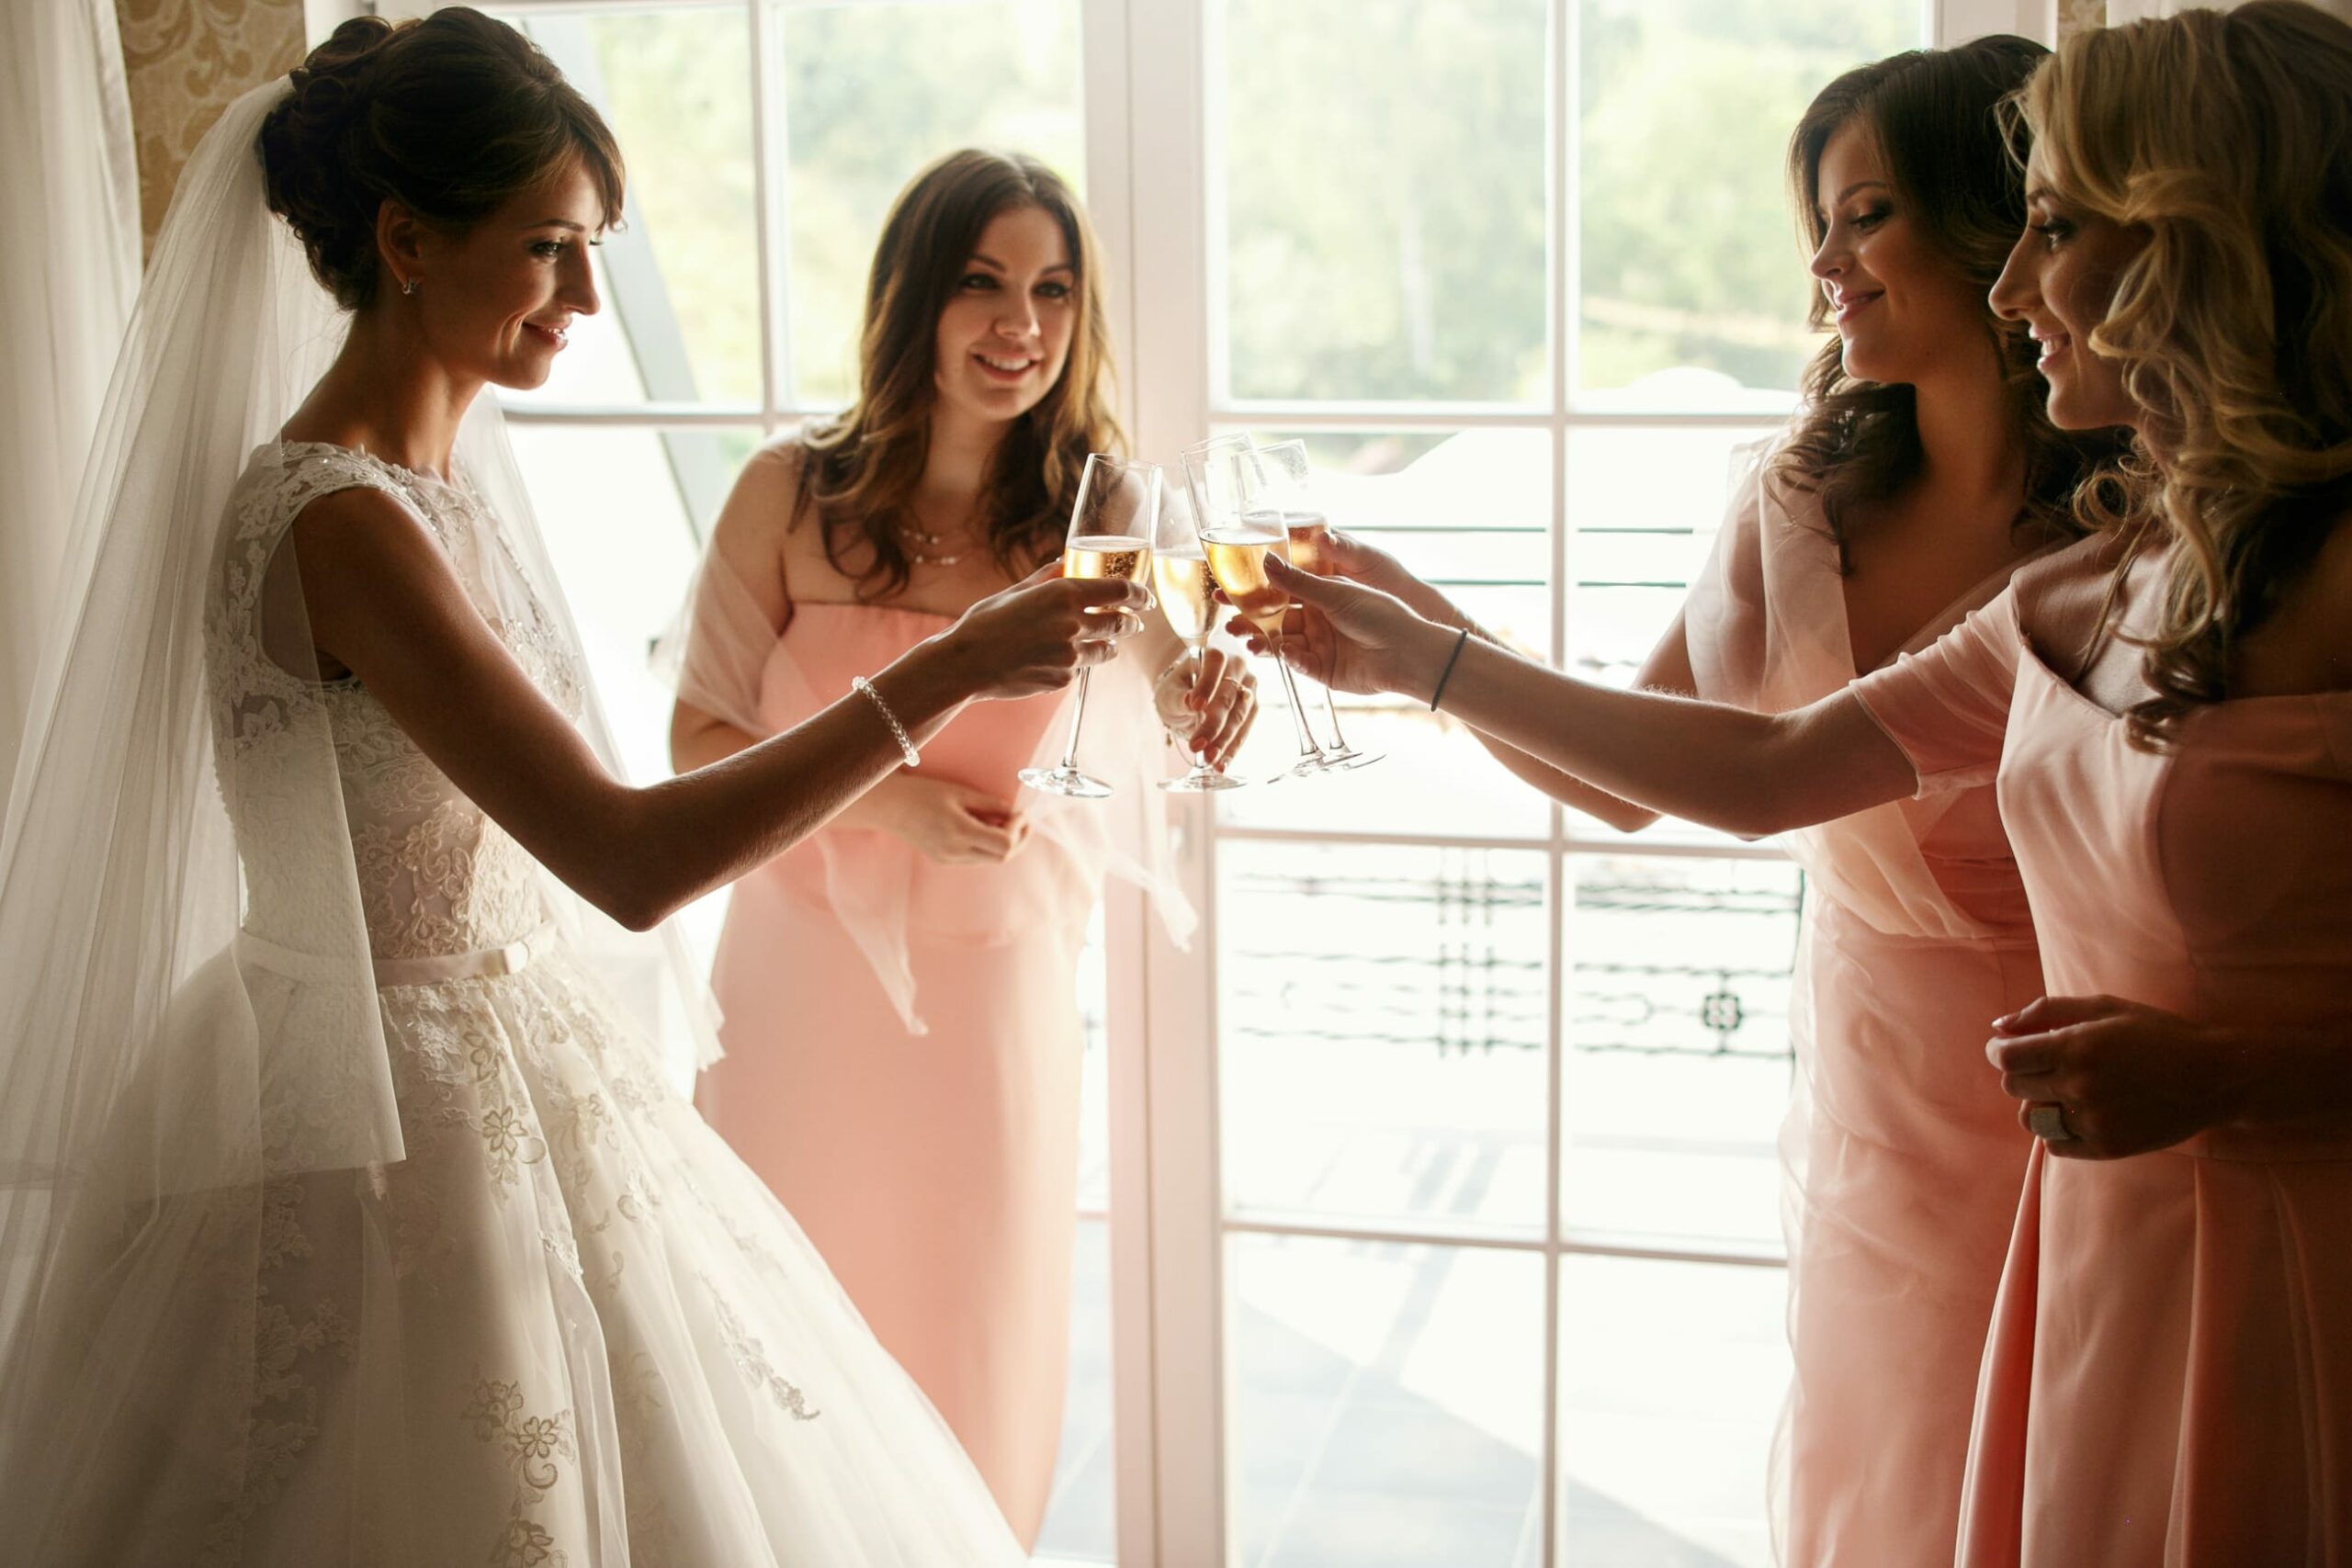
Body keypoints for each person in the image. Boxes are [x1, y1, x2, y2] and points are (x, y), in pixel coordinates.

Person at [0, 11, 1153, 1563]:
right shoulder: (343, 526)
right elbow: (625, 851)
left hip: (513, 1066)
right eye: (549, 249)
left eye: (594, 247)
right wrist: (945, 670)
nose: (589, 298)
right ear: (408, 239)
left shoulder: (443, 484)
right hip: (384, 1118)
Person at [1240, 4, 2352, 1561]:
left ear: (2196, 244)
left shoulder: (2198, 564)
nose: (2021, 282)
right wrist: (1422, 649)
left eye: (2053, 230)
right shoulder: (2087, 593)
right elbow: (1761, 772)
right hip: (2064, 1207)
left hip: (2275, 1221)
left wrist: (2234, 1073)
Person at [669, 147, 1251, 1544]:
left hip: (992, 997)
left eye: (1053, 290)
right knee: (775, 1327)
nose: (1021, 325)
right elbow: (695, 746)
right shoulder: (788, 496)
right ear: (915, 298)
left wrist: (1208, 696)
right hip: (793, 995)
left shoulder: (1093, 518)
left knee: (970, 1336)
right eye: (984, 284)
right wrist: (890, 802)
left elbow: (1173, 700)